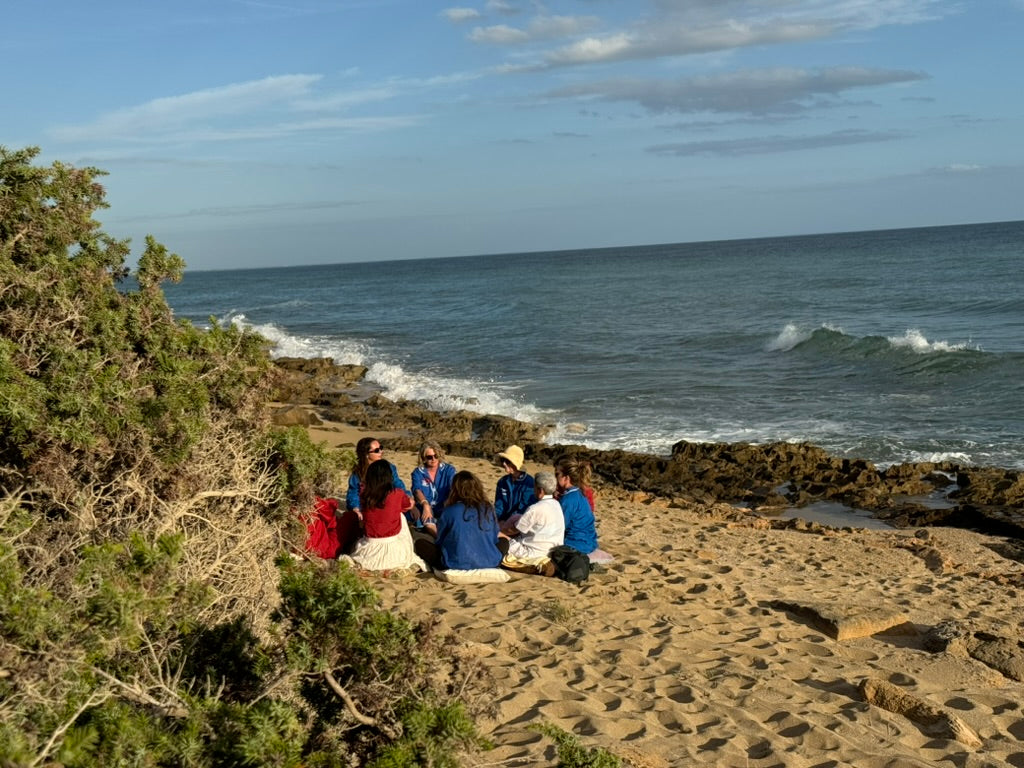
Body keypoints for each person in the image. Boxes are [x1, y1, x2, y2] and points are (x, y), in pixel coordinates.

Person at [344, 459, 426, 571]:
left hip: (370, 542)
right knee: (400, 516)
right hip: (391, 544)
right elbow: (406, 505)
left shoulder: (365, 494)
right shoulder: (397, 493)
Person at [339, 437, 408, 553]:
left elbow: (398, 485)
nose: (381, 452)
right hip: (368, 507)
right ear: (366, 454)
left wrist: (405, 497)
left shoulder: (388, 468)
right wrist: (356, 508)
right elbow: (353, 494)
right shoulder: (358, 474)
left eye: (381, 448)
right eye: (376, 450)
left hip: (385, 504)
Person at [423, 471, 502, 571]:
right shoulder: (488, 509)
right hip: (490, 561)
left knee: (421, 544)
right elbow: (494, 538)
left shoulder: (449, 511)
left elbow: (440, 540)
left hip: (455, 562)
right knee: (503, 543)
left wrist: (431, 528)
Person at [500, 471, 564, 559]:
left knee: (497, 536)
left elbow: (514, 530)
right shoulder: (557, 505)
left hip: (532, 552)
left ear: (540, 491)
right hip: (552, 551)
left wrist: (500, 531)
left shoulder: (535, 508)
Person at [554, 454, 598, 555]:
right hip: (589, 541)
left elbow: (560, 526)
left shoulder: (567, 499)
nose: (555, 478)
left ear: (566, 478)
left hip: (575, 543)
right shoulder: (580, 492)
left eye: (557, 474)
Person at [410, 440, 456, 528]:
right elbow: (417, 490)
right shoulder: (417, 473)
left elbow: (454, 488)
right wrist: (425, 504)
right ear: (423, 458)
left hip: (445, 506)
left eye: (436, 456)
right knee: (425, 520)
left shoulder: (449, 470)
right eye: (429, 457)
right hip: (425, 507)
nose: (434, 459)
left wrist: (449, 501)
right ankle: (438, 539)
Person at [494, 445, 536, 522]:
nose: (503, 463)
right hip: (504, 520)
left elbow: (523, 509)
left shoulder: (529, 483)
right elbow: (499, 506)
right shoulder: (502, 482)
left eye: (507, 461)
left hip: (520, 522)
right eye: (503, 460)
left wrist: (506, 523)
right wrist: (496, 519)